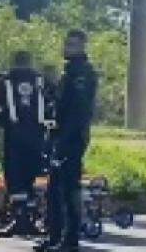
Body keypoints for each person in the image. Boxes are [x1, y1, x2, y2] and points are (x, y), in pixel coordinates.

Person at [38, 30, 98, 252]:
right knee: (54, 189)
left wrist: (64, 141)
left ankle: (70, 239)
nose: (67, 47)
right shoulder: (69, 72)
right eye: (67, 43)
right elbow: (63, 106)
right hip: (60, 137)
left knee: (68, 188)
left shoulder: (82, 74)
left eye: (73, 44)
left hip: (71, 140)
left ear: (83, 47)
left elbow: (79, 113)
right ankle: (54, 237)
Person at [0, 50, 47, 237]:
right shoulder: (42, 80)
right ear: (30, 61)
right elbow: (54, 104)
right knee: (30, 176)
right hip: (37, 136)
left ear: (13, 62)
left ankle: (19, 219)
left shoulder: (3, 82)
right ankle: (29, 219)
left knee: (15, 176)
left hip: (14, 135)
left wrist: (7, 123)